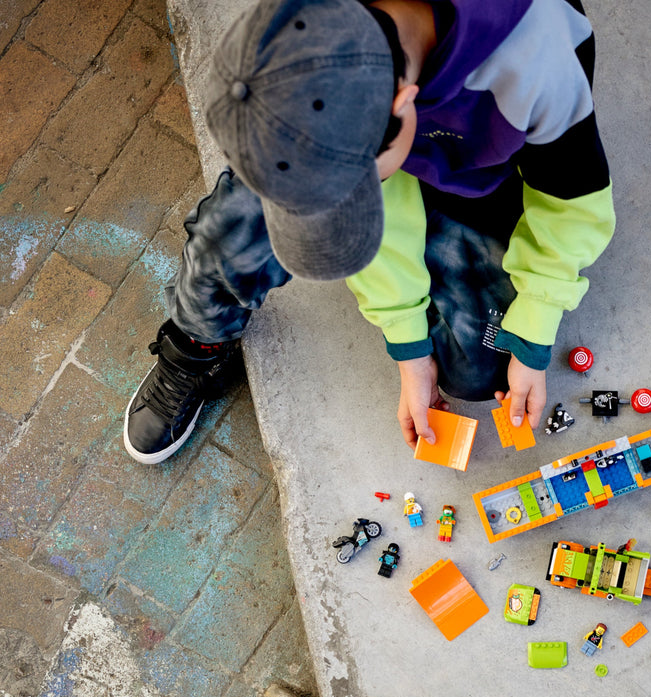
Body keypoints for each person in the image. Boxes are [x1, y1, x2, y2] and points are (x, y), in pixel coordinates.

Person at [123, 0, 615, 465]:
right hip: (382, 146)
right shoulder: (312, 41)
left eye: (362, 191)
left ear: (404, 102)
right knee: (232, 234)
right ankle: (196, 347)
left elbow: (572, 207)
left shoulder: (537, 59)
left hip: (479, 178)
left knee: (483, 369)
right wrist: (409, 345)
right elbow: (381, 187)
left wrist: (536, 327)